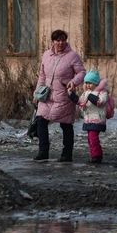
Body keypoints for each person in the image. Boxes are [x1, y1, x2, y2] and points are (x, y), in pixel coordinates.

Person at [32, 29, 86, 162]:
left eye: (63, 40)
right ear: (53, 41)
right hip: (47, 95)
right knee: (41, 121)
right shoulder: (46, 55)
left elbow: (81, 73)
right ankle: (43, 151)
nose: (60, 43)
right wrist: (36, 93)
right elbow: (42, 76)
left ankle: (67, 153)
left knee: (66, 124)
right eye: (57, 40)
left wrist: (73, 82)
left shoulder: (72, 56)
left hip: (63, 95)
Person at [68, 69, 108, 163]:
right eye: (86, 83)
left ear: (96, 83)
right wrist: (71, 94)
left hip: (97, 119)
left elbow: (101, 102)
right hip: (89, 119)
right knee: (90, 139)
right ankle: (94, 154)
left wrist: (91, 96)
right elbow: (80, 101)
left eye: (90, 83)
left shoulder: (102, 92)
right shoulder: (86, 92)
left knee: (93, 138)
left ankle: (97, 155)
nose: (88, 85)